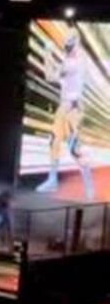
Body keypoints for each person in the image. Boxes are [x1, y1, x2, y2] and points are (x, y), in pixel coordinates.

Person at [42, 27, 97, 201]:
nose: (67, 46)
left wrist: (47, 53)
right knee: (54, 142)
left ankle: (90, 188)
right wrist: (48, 54)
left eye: (70, 42)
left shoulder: (76, 61)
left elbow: (51, 75)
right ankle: (52, 180)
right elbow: (52, 75)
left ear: (76, 42)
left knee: (75, 149)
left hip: (73, 109)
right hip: (65, 106)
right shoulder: (71, 59)